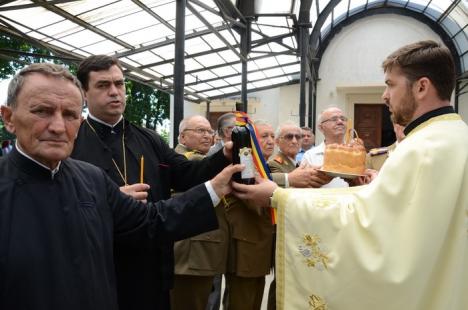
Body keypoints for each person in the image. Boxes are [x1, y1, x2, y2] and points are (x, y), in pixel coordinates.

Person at [232, 40, 468, 310]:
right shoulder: (456, 136)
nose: (385, 96)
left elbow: (368, 217)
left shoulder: (421, 148)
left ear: (422, 86)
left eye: (391, 84)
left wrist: (279, 197)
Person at [0, 63, 243, 310]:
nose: (58, 126)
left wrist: (215, 181)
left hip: (145, 273)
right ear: (9, 118)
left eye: (70, 114)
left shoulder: (96, 175)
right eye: (42, 111)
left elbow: (155, 217)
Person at [70, 55, 232, 310]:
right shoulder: (72, 140)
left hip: (150, 265)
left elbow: (187, 173)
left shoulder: (149, 138)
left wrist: (223, 156)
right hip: (101, 265)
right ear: (84, 93)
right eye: (103, 85)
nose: (114, 92)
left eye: (119, 84)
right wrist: (109, 197)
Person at [171, 115, 230, 310]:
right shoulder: (186, 161)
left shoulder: (205, 159)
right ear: (182, 137)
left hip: (203, 252)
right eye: (199, 131)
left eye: (209, 132)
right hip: (192, 254)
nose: (207, 136)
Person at [301, 107, 350, 188]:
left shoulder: (356, 154)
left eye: (343, 119)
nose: (340, 122)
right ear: (321, 127)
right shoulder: (310, 156)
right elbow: (304, 186)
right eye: (334, 119)